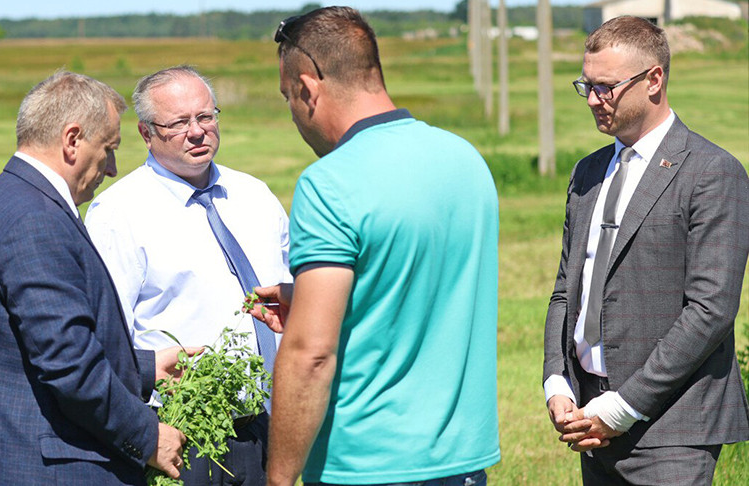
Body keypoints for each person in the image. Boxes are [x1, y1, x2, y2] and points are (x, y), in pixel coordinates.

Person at [254, 7, 500, 486]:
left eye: (288, 97)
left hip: (367, 465)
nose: (292, 113)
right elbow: (419, 285)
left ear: (308, 87)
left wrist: (279, 478)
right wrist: (307, 303)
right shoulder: (465, 160)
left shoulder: (329, 184)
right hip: (463, 462)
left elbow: (311, 354)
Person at [0, 71, 193, 485]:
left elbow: (24, 346)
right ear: (72, 140)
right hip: (31, 468)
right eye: (108, 149)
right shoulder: (36, 219)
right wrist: (147, 436)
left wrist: (144, 368)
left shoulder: (5, 197)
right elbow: (70, 367)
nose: (112, 168)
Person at [543, 15, 749, 485]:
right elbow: (565, 290)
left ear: (654, 79)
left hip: (673, 430)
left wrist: (623, 405)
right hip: (589, 419)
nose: (594, 100)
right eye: (586, 86)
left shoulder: (712, 172)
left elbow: (711, 310)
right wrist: (557, 379)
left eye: (607, 87)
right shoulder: (588, 173)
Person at [84, 65, 290, 485]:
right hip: (182, 433)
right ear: (146, 133)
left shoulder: (254, 195)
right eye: (178, 123)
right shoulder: (118, 214)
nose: (197, 132)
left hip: (270, 425)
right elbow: (107, 337)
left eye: (206, 116)